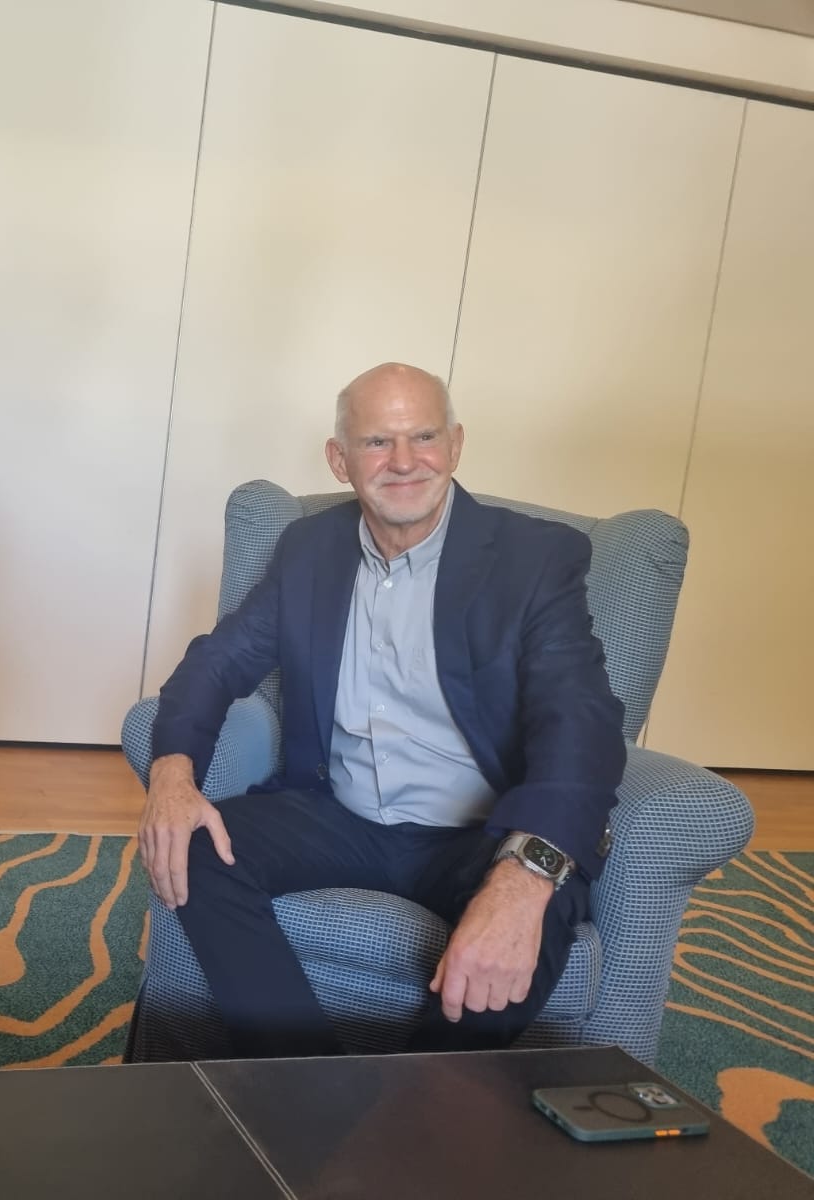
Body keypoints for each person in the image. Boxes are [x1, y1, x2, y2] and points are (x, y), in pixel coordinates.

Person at [138, 362, 624, 1060]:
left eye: (423, 436)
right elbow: (218, 662)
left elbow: (579, 719)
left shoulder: (534, 558)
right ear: (340, 460)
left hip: (482, 833)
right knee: (192, 847)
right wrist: (172, 774)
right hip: (341, 814)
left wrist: (524, 875)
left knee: (524, 929)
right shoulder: (310, 549)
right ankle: (306, 1080)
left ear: (455, 445)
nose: (403, 461)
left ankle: (408, 1105)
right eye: (376, 442)